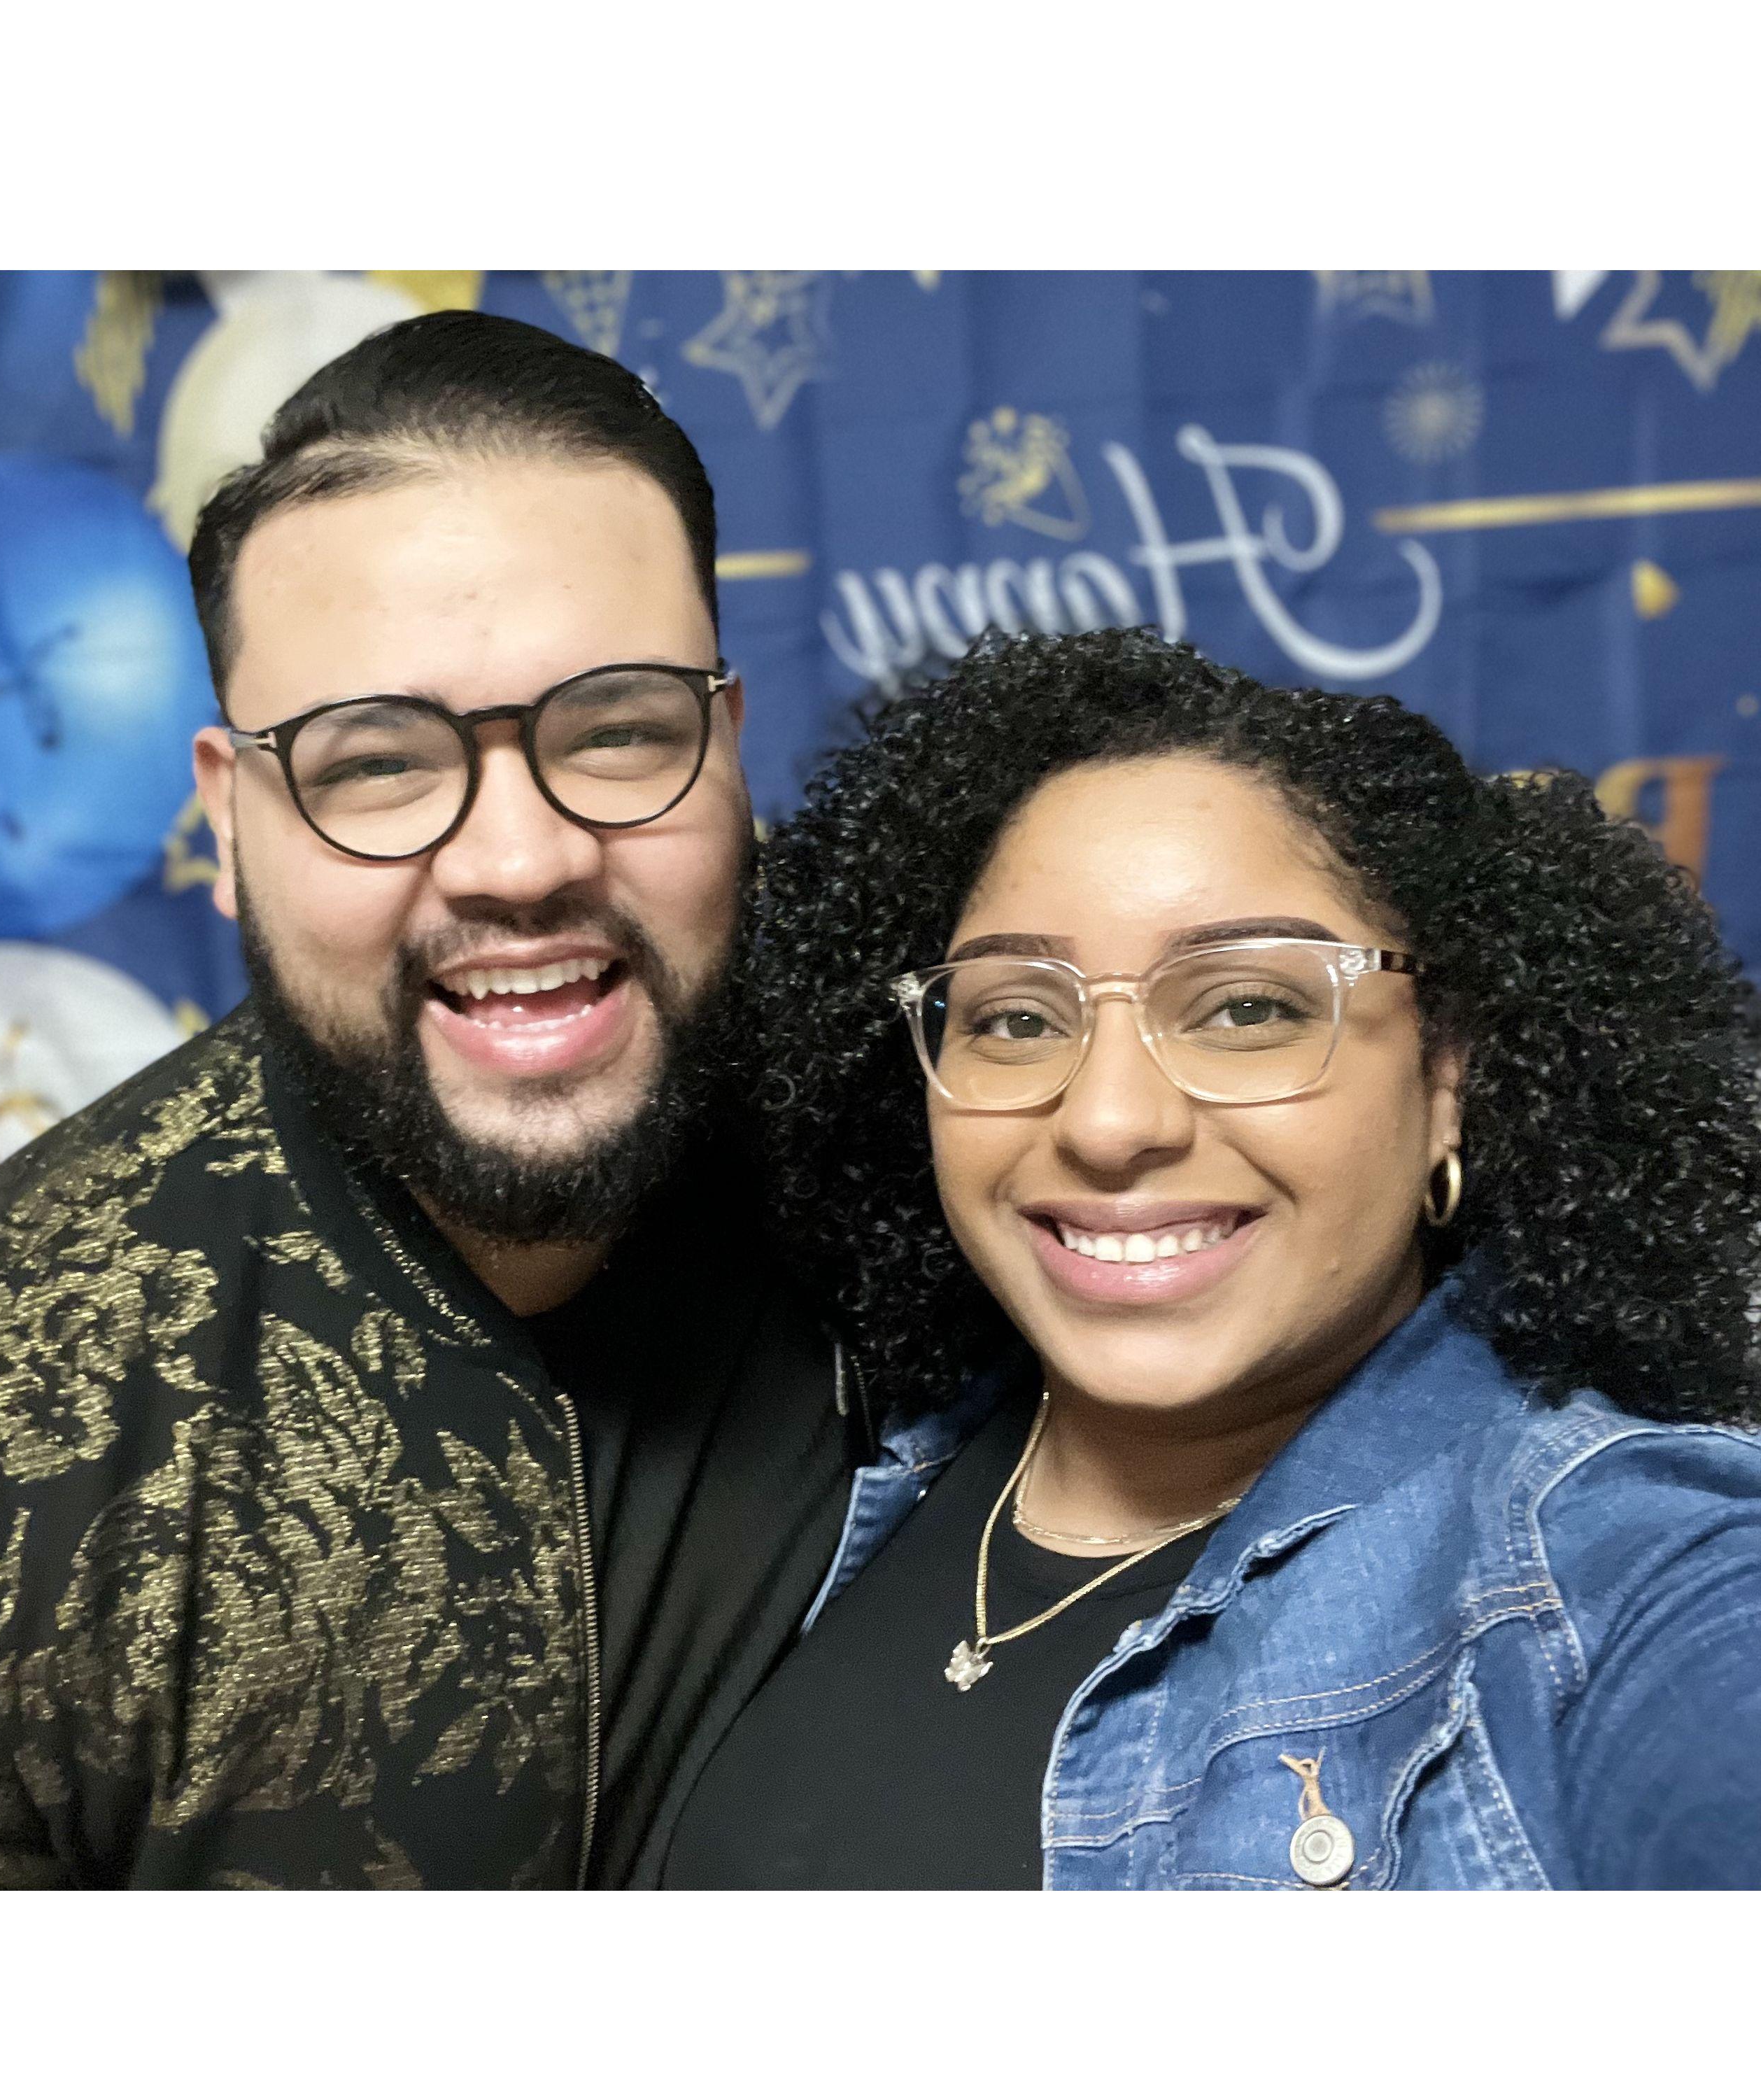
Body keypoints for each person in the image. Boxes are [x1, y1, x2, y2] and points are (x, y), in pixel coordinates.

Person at [0, 311, 860, 1890]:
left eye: (616, 732)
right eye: (376, 763)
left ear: (725, 750)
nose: (521, 859)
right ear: (232, 824)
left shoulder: (954, 1137)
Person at [664, 627, 1761, 1890]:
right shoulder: (846, 1465)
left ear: (1449, 1077)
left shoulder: (1611, 1575)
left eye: (1247, 1008)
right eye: (1017, 1018)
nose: (1109, 1121)